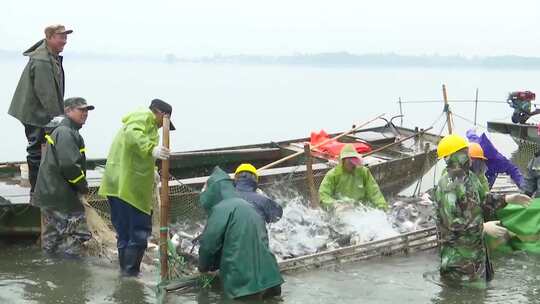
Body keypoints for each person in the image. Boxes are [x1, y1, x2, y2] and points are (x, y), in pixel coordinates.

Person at [434, 134, 530, 285]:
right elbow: (452, 224)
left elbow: (483, 199)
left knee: (480, 295)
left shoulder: (470, 177)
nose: (468, 155)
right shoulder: (447, 185)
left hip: (477, 256)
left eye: (467, 151)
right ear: (451, 157)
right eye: (463, 152)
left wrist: (506, 199)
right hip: (458, 263)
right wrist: (483, 227)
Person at [98, 99, 174, 276]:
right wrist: (152, 149)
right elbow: (133, 136)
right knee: (139, 233)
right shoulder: (144, 117)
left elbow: (134, 150)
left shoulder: (137, 121)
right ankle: (131, 275)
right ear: (161, 114)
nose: (161, 128)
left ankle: (125, 273)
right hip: (130, 188)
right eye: (164, 122)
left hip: (116, 185)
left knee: (123, 233)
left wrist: (152, 169)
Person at [198, 167, 284, 300]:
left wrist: (203, 268)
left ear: (215, 192)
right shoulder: (248, 205)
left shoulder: (221, 208)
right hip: (271, 279)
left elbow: (208, 246)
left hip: (244, 285)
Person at [8, 25, 73, 193]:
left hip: (40, 111)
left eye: (66, 37)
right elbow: (46, 93)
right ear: (50, 37)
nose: (65, 41)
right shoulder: (42, 59)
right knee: (36, 150)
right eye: (61, 37)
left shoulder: (51, 55)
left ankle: (42, 188)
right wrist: (58, 119)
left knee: (43, 148)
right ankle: (37, 192)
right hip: (34, 112)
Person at [33, 97, 94, 258]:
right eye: (81, 109)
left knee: (53, 238)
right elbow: (69, 166)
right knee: (77, 235)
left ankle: (52, 271)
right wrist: (82, 185)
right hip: (61, 196)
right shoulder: (66, 133)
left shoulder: (65, 131)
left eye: (87, 110)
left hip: (52, 194)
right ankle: (71, 273)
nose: (85, 113)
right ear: (68, 111)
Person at [318, 144, 388, 211]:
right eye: (349, 162)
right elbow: (323, 194)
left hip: (361, 208)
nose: (352, 165)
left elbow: (374, 192)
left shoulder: (363, 172)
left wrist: (382, 206)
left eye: (354, 162)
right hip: (341, 209)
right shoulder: (333, 174)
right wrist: (335, 204)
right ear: (343, 161)